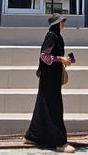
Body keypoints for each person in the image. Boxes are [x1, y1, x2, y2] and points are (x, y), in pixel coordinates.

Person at [24, 14, 75, 152]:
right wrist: (60, 59)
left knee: (44, 105)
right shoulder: (52, 36)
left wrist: (66, 60)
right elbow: (44, 56)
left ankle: (32, 136)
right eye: (62, 21)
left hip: (52, 77)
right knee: (54, 108)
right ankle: (59, 142)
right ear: (56, 24)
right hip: (49, 78)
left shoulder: (57, 36)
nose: (64, 23)